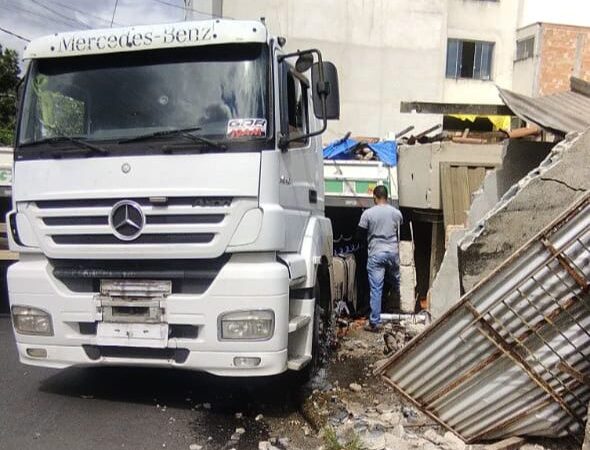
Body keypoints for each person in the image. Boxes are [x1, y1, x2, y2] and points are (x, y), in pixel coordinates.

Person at [356, 185, 403, 332]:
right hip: (393, 253)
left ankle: (375, 322)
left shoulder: (368, 214)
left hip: (376, 253)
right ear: (387, 197)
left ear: (374, 198)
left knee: (376, 288)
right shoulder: (397, 213)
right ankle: (408, 312)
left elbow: (359, 235)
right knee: (400, 283)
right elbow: (401, 230)